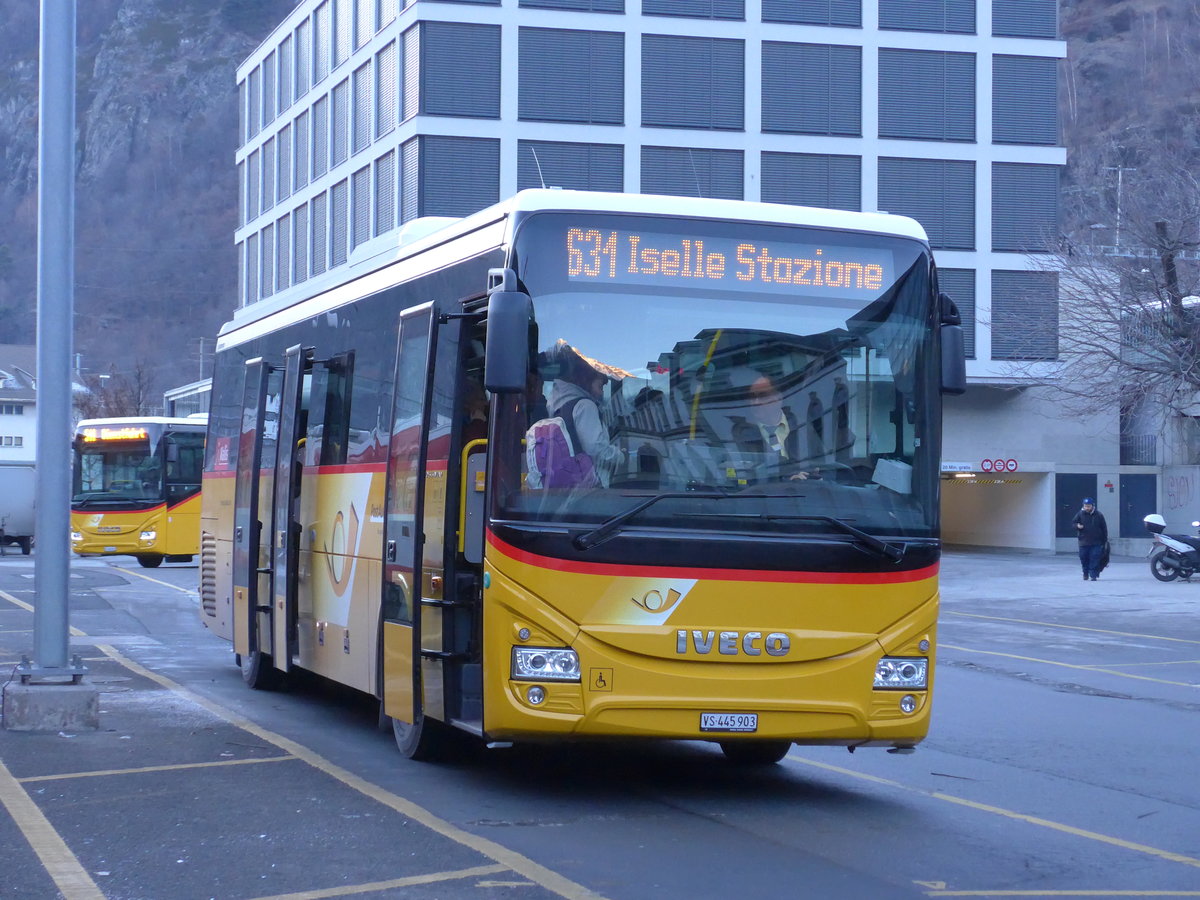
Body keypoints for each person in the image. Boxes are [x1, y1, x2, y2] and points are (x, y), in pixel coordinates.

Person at [546, 348, 624, 487]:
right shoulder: (585, 406)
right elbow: (595, 449)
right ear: (586, 380)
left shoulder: (559, 405)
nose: (602, 393)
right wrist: (621, 456)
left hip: (571, 482)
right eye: (601, 385)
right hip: (592, 484)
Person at [730, 374, 808, 480]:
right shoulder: (741, 433)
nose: (755, 402)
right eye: (752, 397)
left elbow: (822, 462)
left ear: (779, 398)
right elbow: (742, 474)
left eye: (762, 396)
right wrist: (789, 477)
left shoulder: (800, 425)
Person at [1072, 497, 1108, 581]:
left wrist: (1104, 540)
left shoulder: (1099, 515)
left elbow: (1104, 528)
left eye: (1088, 506)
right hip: (1083, 541)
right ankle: (1085, 573)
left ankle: (1093, 575)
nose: (1087, 508)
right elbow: (1073, 523)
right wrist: (1077, 526)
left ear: (1092, 506)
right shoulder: (1080, 514)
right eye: (1085, 506)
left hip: (1096, 542)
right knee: (1084, 558)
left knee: (1094, 558)